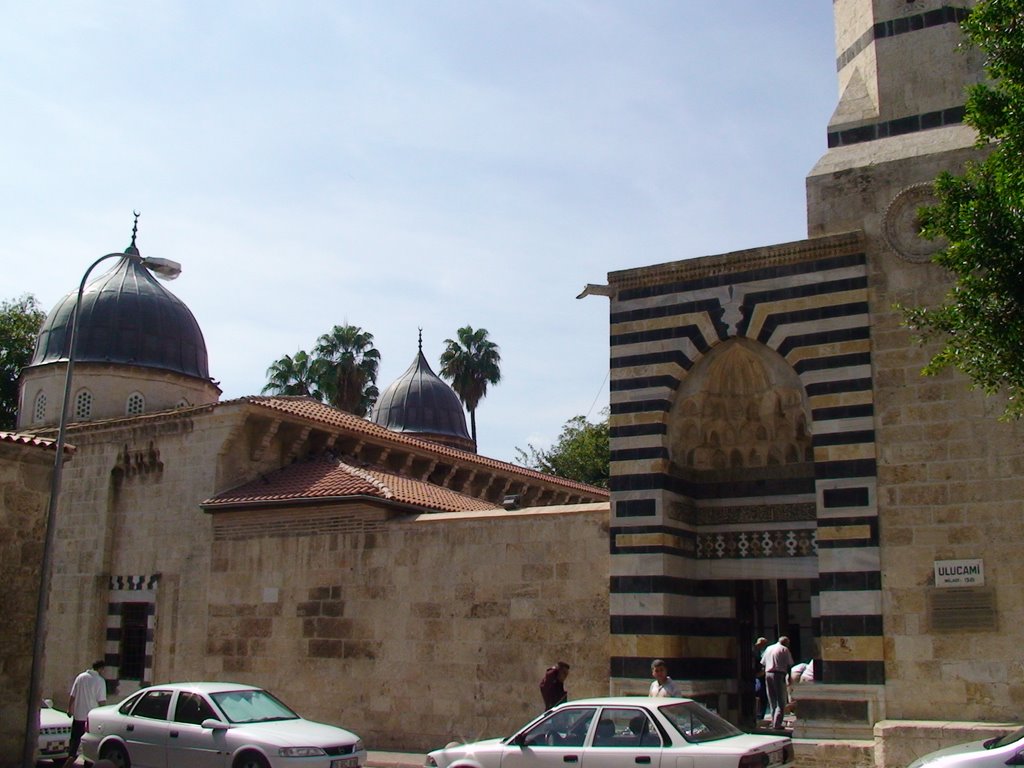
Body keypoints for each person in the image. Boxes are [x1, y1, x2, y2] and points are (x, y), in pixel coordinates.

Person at [62, 660, 108, 768]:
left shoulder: (80, 677)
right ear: (101, 669)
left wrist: (69, 709)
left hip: (78, 717)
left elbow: (72, 695)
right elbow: (101, 701)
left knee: (74, 744)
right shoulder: (100, 681)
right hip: (90, 719)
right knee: (89, 747)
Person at [760, 636, 794, 730]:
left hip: (768, 674)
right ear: (786, 643)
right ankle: (777, 723)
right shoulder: (784, 649)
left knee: (772, 699)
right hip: (779, 674)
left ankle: (773, 720)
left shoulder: (769, 648)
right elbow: (789, 664)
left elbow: (763, 663)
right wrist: (789, 677)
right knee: (781, 701)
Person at [753, 636, 768, 722]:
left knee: (762, 696)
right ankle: (759, 714)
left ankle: (760, 714)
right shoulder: (754, 651)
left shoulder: (759, 651)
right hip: (757, 676)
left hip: (760, 675)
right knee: (760, 695)